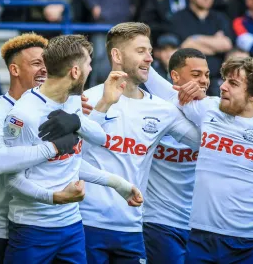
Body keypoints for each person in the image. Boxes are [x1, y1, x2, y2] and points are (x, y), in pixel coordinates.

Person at [38, 22, 201, 263]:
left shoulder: (163, 110)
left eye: (149, 51)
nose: (149, 58)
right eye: (140, 51)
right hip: (85, 224)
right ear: (116, 55)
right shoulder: (83, 100)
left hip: (132, 229)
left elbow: (205, 142)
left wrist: (200, 105)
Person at [0, 34, 142, 264]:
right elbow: (11, 178)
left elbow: (88, 147)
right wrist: (54, 197)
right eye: (88, 65)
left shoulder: (73, 101)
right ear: (75, 72)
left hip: (72, 226)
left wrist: (119, 185)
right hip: (33, 228)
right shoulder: (23, 115)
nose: (91, 69)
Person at [145, 56, 253, 263]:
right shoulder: (208, 108)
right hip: (200, 241)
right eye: (224, 80)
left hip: (249, 246)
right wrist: (143, 59)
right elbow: (165, 91)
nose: (222, 87)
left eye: (233, 83)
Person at [0, 33, 84, 264]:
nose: (44, 69)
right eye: (36, 63)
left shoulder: (54, 109)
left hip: (42, 224)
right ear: (14, 70)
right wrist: (54, 147)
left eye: (46, 64)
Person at [143, 48, 209, 264]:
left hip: (199, 223)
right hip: (157, 219)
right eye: (196, 74)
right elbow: (142, 66)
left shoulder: (215, 112)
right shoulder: (153, 109)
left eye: (207, 75)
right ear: (175, 76)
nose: (204, 81)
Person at [170, 0, 233, 96]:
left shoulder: (220, 18)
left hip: (218, 78)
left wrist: (195, 39)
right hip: (189, 80)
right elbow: (185, 47)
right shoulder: (178, 18)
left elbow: (226, 44)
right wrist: (214, 43)